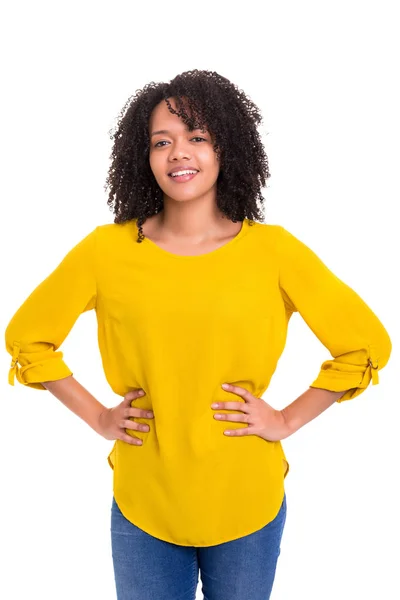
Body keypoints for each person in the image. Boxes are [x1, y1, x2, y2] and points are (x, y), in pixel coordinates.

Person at [4, 69, 392, 600]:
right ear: (142, 157)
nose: (177, 153)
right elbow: (29, 338)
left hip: (245, 497)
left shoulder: (273, 251)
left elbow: (364, 344)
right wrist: (98, 416)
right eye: (161, 142)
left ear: (225, 148)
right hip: (146, 498)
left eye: (197, 137)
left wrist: (285, 419)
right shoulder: (105, 252)